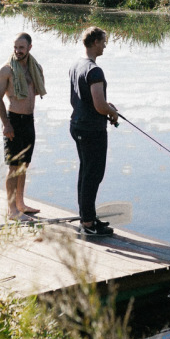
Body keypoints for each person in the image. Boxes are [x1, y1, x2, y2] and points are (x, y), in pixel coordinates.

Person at [68, 26, 119, 236]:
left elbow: (90, 100)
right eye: (103, 41)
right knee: (93, 174)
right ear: (95, 41)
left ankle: (86, 217)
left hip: (78, 125)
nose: (105, 45)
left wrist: (107, 106)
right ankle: (88, 223)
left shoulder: (77, 65)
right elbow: (99, 105)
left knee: (85, 173)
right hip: (92, 129)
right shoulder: (94, 70)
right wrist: (112, 112)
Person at [0, 32, 46, 219]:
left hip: (29, 121)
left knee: (24, 164)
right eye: (15, 47)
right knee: (14, 167)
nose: (18, 51)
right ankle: (11, 210)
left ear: (29, 48)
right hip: (13, 120)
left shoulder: (35, 68)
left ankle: (20, 204)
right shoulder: (6, 70)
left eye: (21, 48)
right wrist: (6, 124)